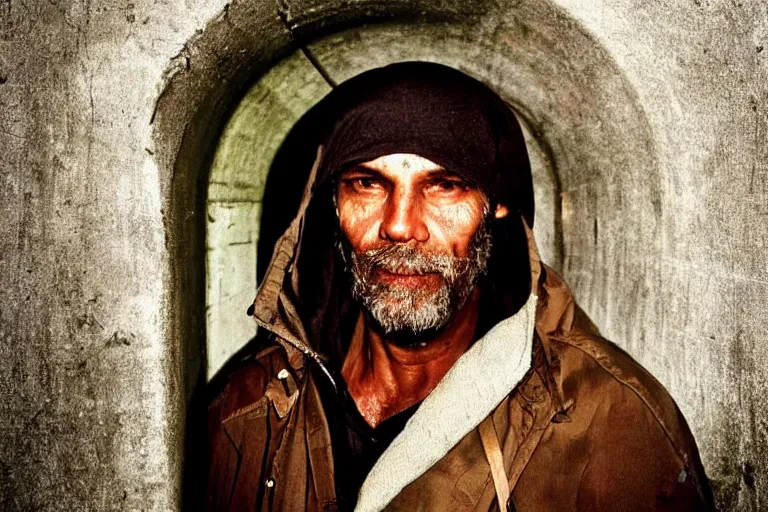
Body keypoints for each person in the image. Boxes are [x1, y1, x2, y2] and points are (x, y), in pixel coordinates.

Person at [205, 61, 714, 511]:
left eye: (444, 185)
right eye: (367, 183)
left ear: (498, 204)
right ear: (332, 204)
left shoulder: (609, 423)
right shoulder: (249, 407)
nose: (401, 226)